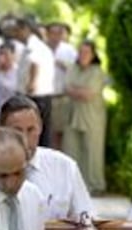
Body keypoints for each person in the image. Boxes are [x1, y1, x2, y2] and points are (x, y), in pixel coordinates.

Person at [0, 94, 94, 221]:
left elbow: (86, 219)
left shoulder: (65, 168)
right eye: (17, 131)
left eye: (31, 130)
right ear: (2, 131)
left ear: (40, 128)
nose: (24, 138)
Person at [63, 40, 107, 195]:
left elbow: (88, 94)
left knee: (93, 152)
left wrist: (75, 90)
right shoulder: (72, 68)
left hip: (92, 117)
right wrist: (78, 90)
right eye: (80, 52)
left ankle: (95, 186)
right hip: (72, 115)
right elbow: (66, 87)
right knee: (71, 150)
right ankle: (74, 186)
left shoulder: (97, 71)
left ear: (93, 55)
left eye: (87, 52)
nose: (83, 55)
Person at [14, 17, 55, 147]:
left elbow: (35, 64)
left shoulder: (34, 45)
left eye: (18, 30)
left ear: (25, 29)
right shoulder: (30, 46)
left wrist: (31, 84)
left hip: (36, 96)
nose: (16, 33)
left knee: (36, 132)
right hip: (36, 95)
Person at [46, 22, 77, 150]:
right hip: (45, 97)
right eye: (52, 33)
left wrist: (62, 64)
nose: (55, 36)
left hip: (62, 97)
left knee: (61, 134)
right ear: (48, 34)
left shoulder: (69, 50)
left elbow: (76, 70)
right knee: (47, 133)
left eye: (58, 33)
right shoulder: (42, 49)